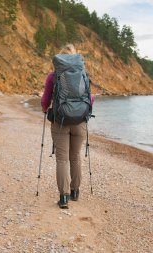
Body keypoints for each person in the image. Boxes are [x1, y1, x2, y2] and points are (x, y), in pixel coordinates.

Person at [41, 44, 94, 209]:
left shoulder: (53, 76)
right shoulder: (83, 74)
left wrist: (46, 110)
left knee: (62, 159)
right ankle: (75, 192)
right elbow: (90, 99)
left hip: (60, 122)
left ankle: (63, 198)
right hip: (80, 122)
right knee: (75, 157)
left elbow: (45, 100)